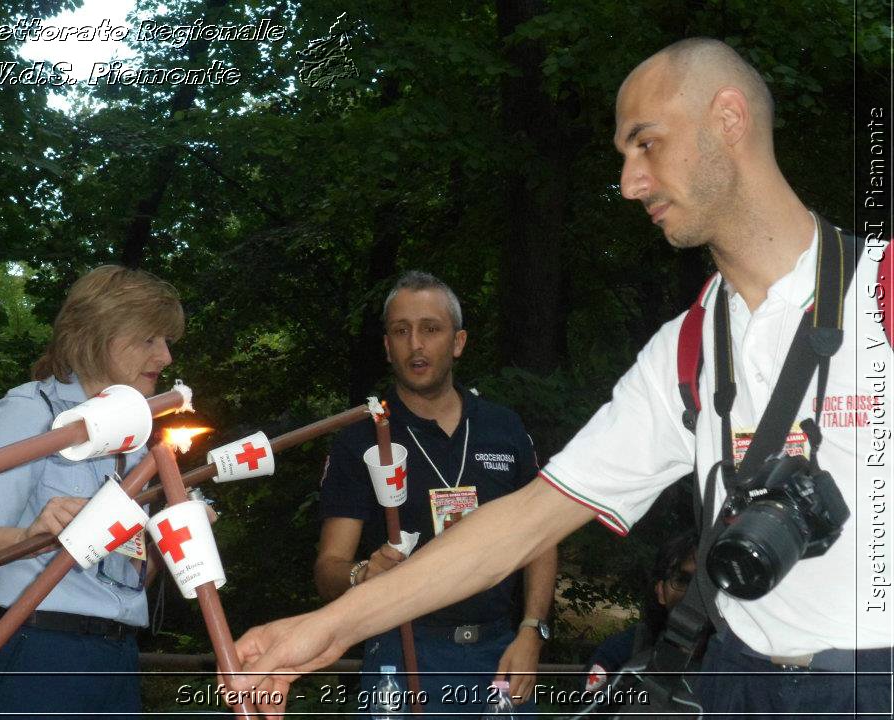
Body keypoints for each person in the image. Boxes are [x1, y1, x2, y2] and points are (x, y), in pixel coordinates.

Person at [230, 38, 892, 719]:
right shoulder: (687, 351)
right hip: (733, 683)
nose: (631, 182)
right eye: (622, 157)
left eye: (647, 144)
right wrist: (316, 632)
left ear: (727, 120)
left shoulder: (883, 296)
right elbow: (523, 523)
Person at [0, 265, 184, 719]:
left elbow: (123, 578)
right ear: (96, 335)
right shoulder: (34, 411)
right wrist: (28, 537)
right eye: (149, 339)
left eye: (167, 341)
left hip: (117, 660)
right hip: (37, 653)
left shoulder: (138, 438)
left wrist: (166, 539)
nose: (166, 357)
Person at [315, 271, 557, 716]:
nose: (416, 345)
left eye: (431, 329)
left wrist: (531, 631)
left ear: (458, 342)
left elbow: (541, 536)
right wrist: (360, 576)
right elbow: (329, 567)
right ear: (387, 347)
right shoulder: (362, 437)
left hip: (500, 650)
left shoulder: (503, 428)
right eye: (401, 331)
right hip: (402, 645)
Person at [582, 530, 698, 692]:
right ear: (660, 591)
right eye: (682, 581)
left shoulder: (735, 665)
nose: (694, 593)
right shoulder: (620, 654)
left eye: (703, 584)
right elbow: (588, 710)